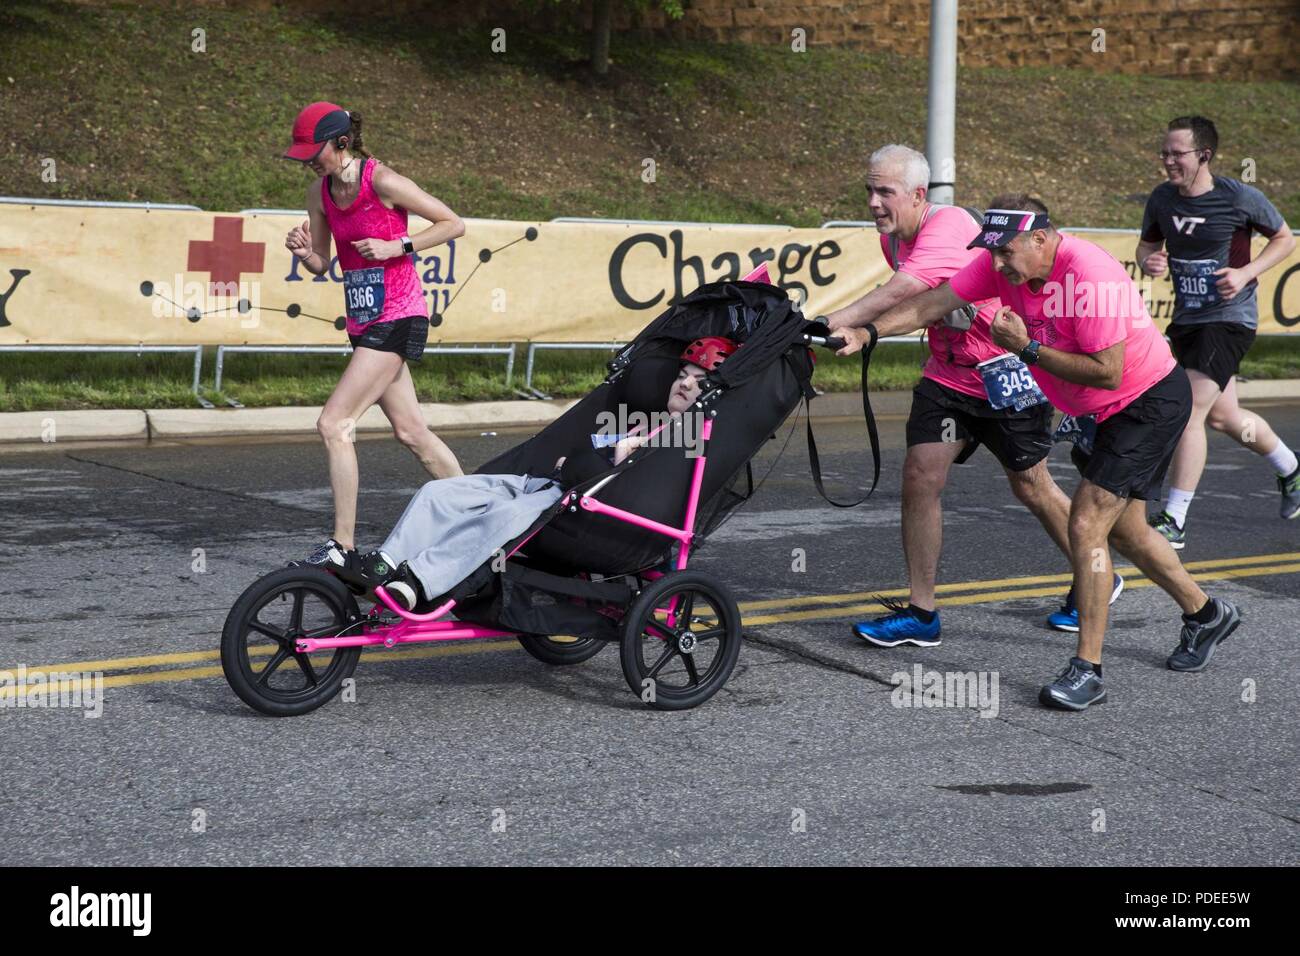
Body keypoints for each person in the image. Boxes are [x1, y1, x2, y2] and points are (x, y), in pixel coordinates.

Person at [840, 195, 1241, 710]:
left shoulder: (1089, 275)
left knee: (1087, 522)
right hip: (1102, 410)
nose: (997, 265)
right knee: (1130, 530)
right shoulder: (1001, 264)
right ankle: (1207, 614)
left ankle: (1087, 669)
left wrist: (1024, 348)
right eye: (994, 255)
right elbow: (933, 301)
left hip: (1145, 402)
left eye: (1006, 253)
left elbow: (1107, 371)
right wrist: (867, 331)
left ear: (1040, 239)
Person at [825, 145, 1120, 644]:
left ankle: (1098, 574)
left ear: (918, 195)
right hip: (948, 375)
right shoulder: (895, 236)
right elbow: (920, 303)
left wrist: (837, 323)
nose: (873, 202)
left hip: (1004, 372)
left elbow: (905, 292)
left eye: (885, 192)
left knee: (1030, 485)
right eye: (869, 190)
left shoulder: (946, 226)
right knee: (920, 475)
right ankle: (922, 615)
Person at [344, 338, 737, 610]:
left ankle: (416, 583)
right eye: (682, 374)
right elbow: (601, 449)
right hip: (551, 486)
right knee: (442, 492)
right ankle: (385, 563)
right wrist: (596, 454)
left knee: (504, 518)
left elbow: (618, 466)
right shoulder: (644, 422)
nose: (685, 383)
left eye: (698, 382)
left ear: (710, 396)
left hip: (582, 510)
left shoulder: (687, 438)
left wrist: (596, 456)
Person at [282, 101, 466, 579]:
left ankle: (342, 545)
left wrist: (396, 245)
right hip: (364, 323)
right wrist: (306, 255)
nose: (308, 160)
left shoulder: (381, 181)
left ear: (341, 142)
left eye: (314, 150)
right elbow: (324, 262)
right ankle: (480, 513)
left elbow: (453, 223)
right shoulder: (319, 193)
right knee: (413, 434)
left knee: (334, 423)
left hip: (400, 315)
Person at [1136, 115, 1298, 548]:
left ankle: (1174, 519)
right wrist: (1149, 260)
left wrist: (1246, 273)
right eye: (1164, 153)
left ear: (1203, 155)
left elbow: (1285, 239)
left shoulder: (1239, 197)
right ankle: (1290, 467)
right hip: (1188, 320)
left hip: (1229, 319)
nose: (1168, 161)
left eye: (1177, 154)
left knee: (1187, 410)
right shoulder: (1162, 199)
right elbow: (1148, 246)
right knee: (1226, 418)